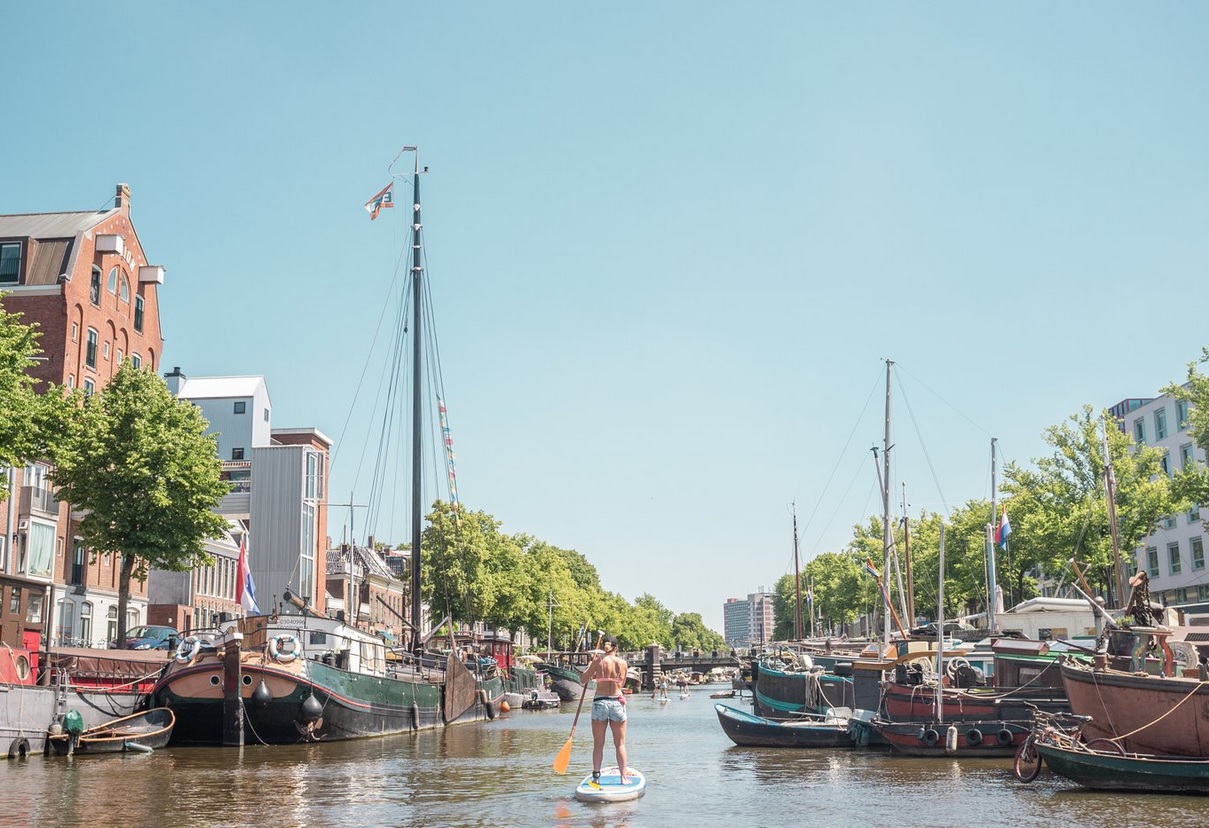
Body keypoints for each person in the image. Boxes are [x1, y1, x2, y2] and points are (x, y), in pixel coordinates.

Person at [581, 634, 629, 785]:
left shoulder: (598, 661)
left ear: (604, 647)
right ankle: (623, 777)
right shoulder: (623, 663)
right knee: (620, 744)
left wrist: (590, 667)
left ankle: (596, 778)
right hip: (617, 702)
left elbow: (583, 679)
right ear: (616, 648)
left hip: (600, 702)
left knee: (598, 744)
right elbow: (622, 684)